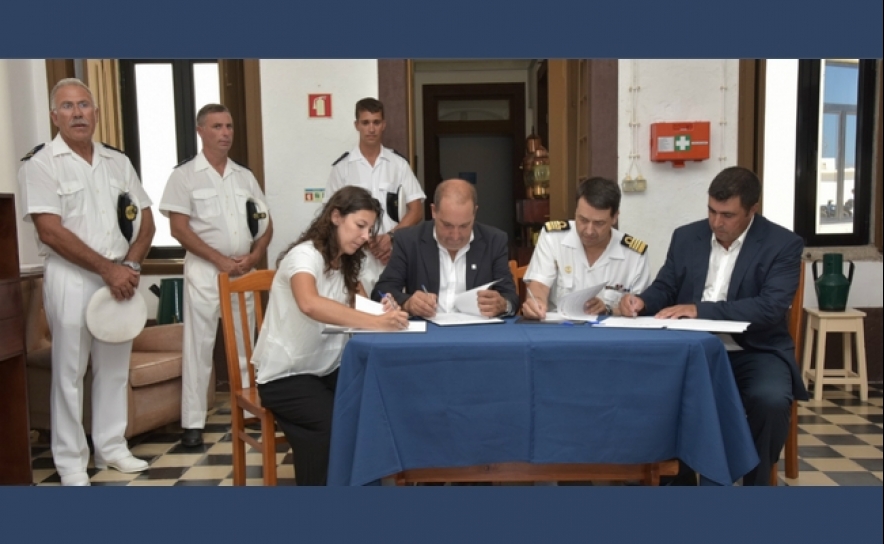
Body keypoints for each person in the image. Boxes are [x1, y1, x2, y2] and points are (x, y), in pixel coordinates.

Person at [618, 166, 809, 486]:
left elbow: (769, 308)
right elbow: (665, 288)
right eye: (711, 211)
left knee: (771, 399)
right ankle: (678, 486)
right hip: (693, 350)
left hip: (754, 350)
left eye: (727, 215)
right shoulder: (686, 236)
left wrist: (700, 310)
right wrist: (641, 302)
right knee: (653, 391)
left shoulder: (782, 243)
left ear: (752, 210)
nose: (716, 222)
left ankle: (756, 486)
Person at [18, 78, 155, 485]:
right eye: (67, 106)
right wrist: (108, 270)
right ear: (54, 116)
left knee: (113, 368)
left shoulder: (117, 161)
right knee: (70, 372)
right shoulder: (41, 163)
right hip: (72, 276)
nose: (77, 113)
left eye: (83, 105)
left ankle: (111, 447)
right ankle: (71, 461)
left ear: (96, 112)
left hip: (120, 277)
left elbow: (146, 220)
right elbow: (50, 230)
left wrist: (129, 265)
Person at [253, 186, 409, 485]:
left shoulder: (347, 261)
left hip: (328, 370)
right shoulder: (304, 256)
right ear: (336, 217)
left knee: (371, 414)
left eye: (369, 229)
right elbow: (309, 303)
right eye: (360, 226)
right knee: (331, 427)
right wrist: (377, 322)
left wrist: (384, 310)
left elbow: (359, 306)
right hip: (286, 377)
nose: (365, 236)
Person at [159, 103, 273, 448]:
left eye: (229, 126)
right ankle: (193, 423)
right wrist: (219, 260)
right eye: (217, 126)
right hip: (205, 271)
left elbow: (266, 224)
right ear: (200, 131)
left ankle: (250, 411)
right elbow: (178, 229)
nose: (225, 133)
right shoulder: (184, 176)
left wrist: (254, 256)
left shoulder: (244, 176)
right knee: (199, 347)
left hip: (243, 271)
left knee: (245, 345)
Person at [373, 178, 519, 318]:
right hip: (428, 329)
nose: (455, 236)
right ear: (433, 211)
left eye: (464, 226)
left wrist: (503, 305)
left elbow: (511, 298)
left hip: (477, 330)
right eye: (447, 225)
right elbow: (381, 291)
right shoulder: (409, 240)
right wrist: (408, 303)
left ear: (474, 213)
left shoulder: (494, 241)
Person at [325, 97, 426, 293]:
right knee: (358, 309)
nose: (371, 129)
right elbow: (331, 216)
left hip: (392, 254)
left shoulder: (399, 164)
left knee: (393, 307)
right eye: (365, 123)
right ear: (357, 125)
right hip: (354, 256)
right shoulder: (342, 168)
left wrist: (390, 237)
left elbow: (416, 211)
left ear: (383, 125)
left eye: (376, 122)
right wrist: (365, 241)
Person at [522, 176, 651, 320]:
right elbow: (539, 285)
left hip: (608, 331)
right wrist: (536, 302)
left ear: (615, 217)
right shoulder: (553, 237)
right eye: (583, 220)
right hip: (560, 328)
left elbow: (638, 308)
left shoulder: (634, 255)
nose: (589, 231)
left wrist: (608, 310)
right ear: (575, 212)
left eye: (599, 223)